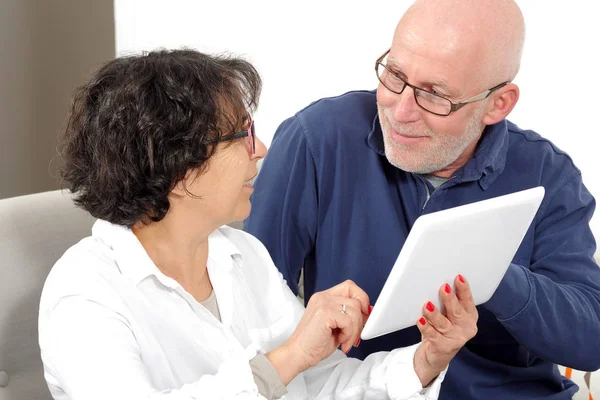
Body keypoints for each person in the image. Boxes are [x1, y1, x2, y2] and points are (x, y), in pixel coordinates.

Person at [37, 49, 479, 400]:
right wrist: (284, 360)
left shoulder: (242, 255)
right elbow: (285, 369)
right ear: (176, 166)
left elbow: (322, 384)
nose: (262, 148)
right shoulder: (85, 293)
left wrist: (427, 358)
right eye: (241, 136)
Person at [244, 0, 600, 399]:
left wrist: (492, 272)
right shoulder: (318, 139)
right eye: (395, 74)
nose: (401, 110)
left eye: (435, 95)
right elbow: (245, 304)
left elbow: (590, 340)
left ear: (497, 105)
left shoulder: (548, 175)